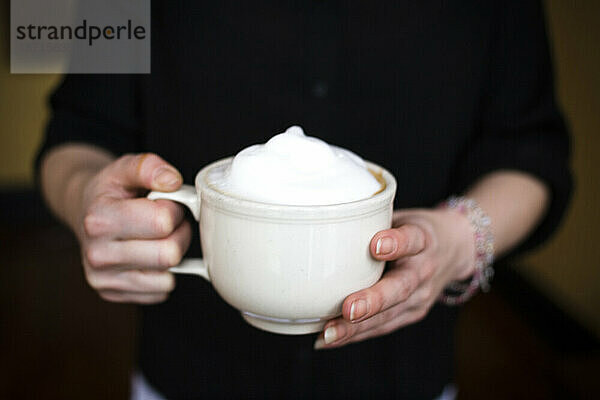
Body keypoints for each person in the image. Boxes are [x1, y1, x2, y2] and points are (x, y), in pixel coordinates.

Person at [37, 1, 571, 398]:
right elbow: (78, 123)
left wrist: (456, 241)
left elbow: (532, 149)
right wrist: (85, 192)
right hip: (187, 369)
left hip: (402, 375)